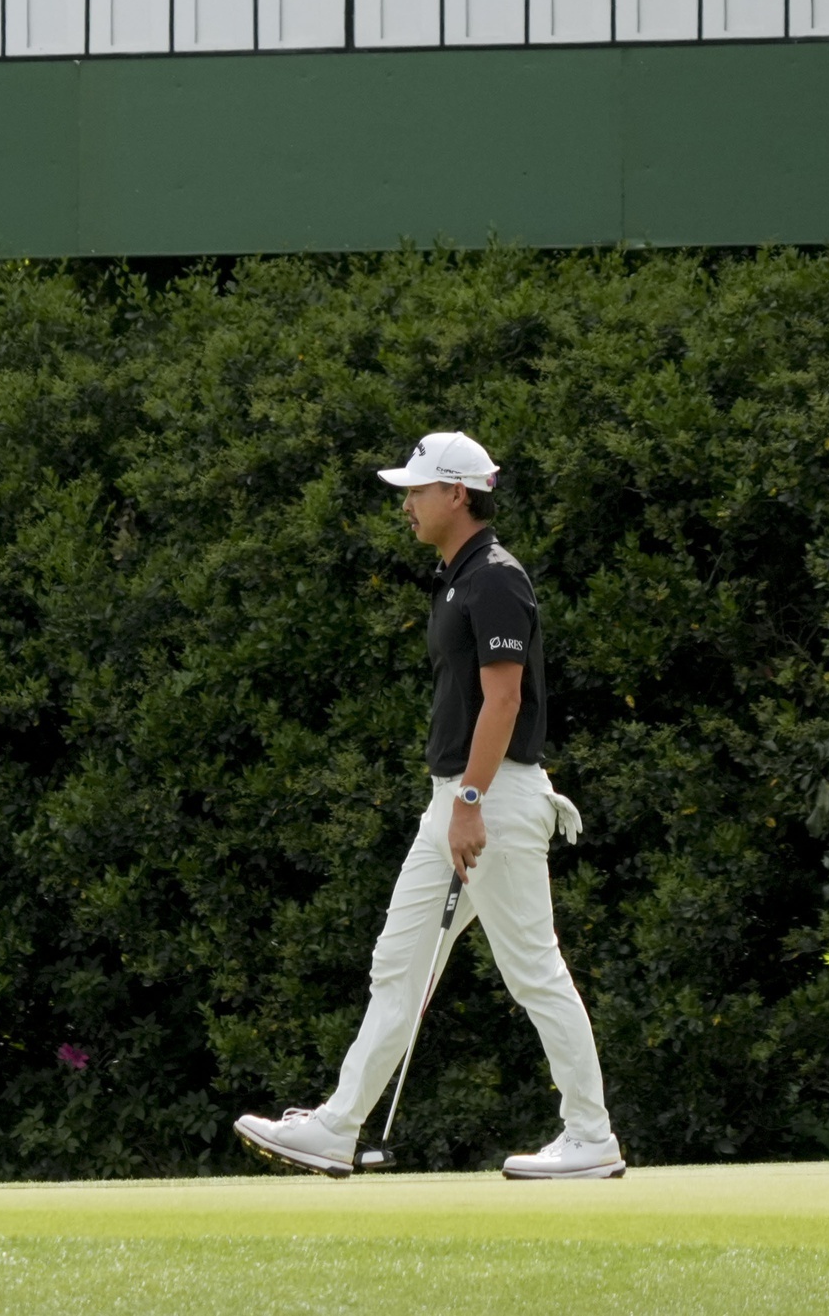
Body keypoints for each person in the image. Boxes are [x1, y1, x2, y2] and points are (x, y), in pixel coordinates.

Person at [232, 430, 625, 1181]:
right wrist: (458, 802)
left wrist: (470, 800)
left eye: (416, 490)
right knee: (398, 965)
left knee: (533, 970)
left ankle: (590, 1136)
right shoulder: (455, 577)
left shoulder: (496, 579)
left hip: (492, 799)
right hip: (456, 801)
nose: (406, 504)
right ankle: (337, 1127)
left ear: (457, 494)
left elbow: (504, 700)